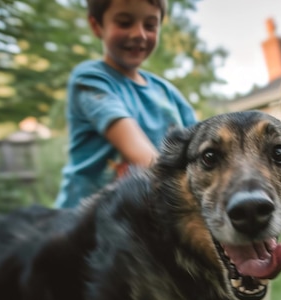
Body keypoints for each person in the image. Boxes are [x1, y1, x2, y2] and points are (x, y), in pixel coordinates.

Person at [55, 0, 197, 208]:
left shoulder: (168, 93)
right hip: (81, 225)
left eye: (150, 25)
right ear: (97, 26)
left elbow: (201, 151)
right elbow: (146, 161)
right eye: (124, 23)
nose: (139, 34)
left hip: (145, 222)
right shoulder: (90, 79)